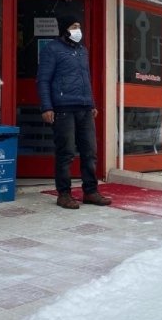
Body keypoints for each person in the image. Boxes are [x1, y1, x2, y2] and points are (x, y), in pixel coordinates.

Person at [37, 15, 111, 209]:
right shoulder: (52, 49)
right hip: (63, 109)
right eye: (73, 26)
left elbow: (85, 78)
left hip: (84, 108)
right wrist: (47, 106)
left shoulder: (82, 51)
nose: (78, 30)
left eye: (79, 26)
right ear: (64, 28)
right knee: (66, 152)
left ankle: (91, 192)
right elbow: (43, 80)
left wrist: (91, 103)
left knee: (90, 152)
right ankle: (64, 194)